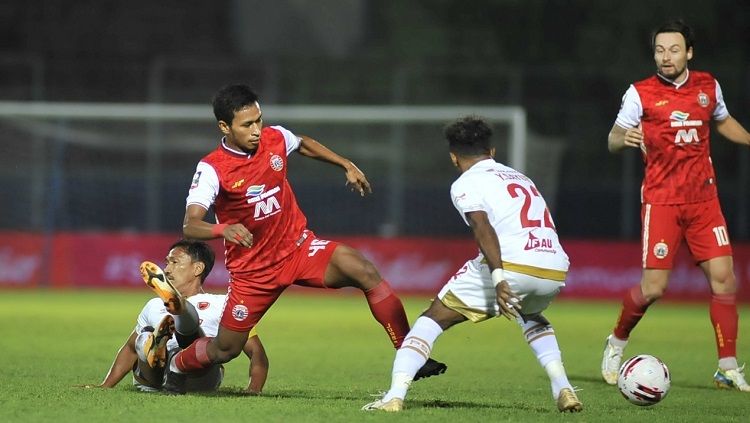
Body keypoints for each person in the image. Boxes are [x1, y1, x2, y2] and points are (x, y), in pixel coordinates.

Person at [162, 84, 446, 394]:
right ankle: (177, 364)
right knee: (225, 350)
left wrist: (345, 163)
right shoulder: (213, 168)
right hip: (254, 273)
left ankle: (409, 355)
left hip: (299, 248)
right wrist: (222, 229)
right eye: (247, 124)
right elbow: (190, 225)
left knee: (363, 270)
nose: (257, 129)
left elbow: (303, 143)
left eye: (258, 120)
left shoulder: (274, 138)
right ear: (224, 127)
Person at [362, 116, 582, 412]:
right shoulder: (520, 177)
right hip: (554, 265)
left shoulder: (466, 182)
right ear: (492, 151)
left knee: (431, 320)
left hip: (514, 264)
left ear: (454, 157)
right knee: (532, 317)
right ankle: (564, 387)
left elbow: (482, 227)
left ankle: (393, 397)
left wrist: (500, 278)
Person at [601, 20, 750, 391]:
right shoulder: (640, 93)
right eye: (659, 50)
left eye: (673, 49)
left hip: (704, 200)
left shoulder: (708, 86)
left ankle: (727, 367)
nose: (665, 57)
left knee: (724, 278)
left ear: (689, 52)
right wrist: (626, 138)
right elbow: (613, 139)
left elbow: (724, 121)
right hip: (662, 202)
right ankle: (617, 341)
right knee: (653, 288)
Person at [84, 240, 269, 394]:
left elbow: (256, 352)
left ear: (197, 268)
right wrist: (105, 386)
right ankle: (160, 343)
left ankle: (180, 312)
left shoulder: (223, 304)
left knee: (193, 340)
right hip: (155, 377)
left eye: (174, 262)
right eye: (166, 263)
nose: (167, 269)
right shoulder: (153, 305)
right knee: (142, 340)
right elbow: (130, 349)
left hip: (197, 376)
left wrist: (254, 388)